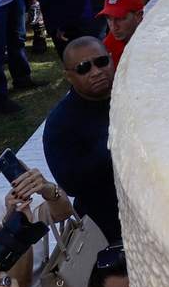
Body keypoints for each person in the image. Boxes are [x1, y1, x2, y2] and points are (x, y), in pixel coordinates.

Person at [42, 37, 120, 243]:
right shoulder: (60, 125)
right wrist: (114, 146)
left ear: (111, 60)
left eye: (101, 62)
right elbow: (71, 185)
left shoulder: (132, 92)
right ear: (68, 76)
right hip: (108, 224)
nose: (96, 72)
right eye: (83, 68)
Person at [96, 0, 143, 66]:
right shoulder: (107, 48)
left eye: (120, 18)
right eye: (109, 18)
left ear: (138, 16)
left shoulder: (154, 41)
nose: (113, 27)